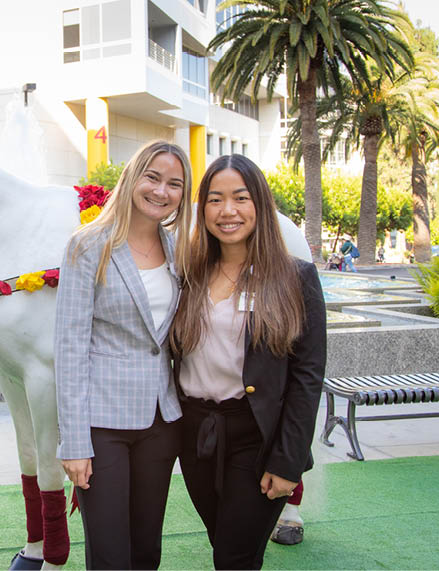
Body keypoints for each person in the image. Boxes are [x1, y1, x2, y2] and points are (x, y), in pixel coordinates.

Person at [169, 154, 326, 569]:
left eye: (240, 198)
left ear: (259, 204)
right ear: (202, 209)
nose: (228, 211)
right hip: (196, 433)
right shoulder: (187, 273)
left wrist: (288, 461)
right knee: (221, 540)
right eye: (215, 199)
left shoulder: (295, 277)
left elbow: (307, 378)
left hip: (257, 437)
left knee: (235, 556)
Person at [55, 140, 193, 569]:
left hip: (160, 422)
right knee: (111, 553)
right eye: (152, 177)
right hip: (101, 426)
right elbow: (70, 348)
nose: (161, 191)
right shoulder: (87, 245)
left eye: (174, 183)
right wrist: (74, 442)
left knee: (147, 548)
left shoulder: (180, 248)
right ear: (133, 178)